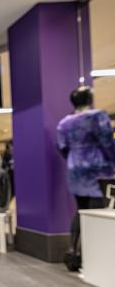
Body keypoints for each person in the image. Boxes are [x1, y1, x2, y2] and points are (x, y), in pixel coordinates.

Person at [57, 86, 115, 271]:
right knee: (98, 211)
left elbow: (62, 147)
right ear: (89, 99)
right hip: (98, 169)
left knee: (81, 210)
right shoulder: (97, 116)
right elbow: (107, 142)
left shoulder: (64, 123)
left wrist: (74, 159)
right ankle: (94, 256)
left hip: (75, 169)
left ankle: (73, 249)